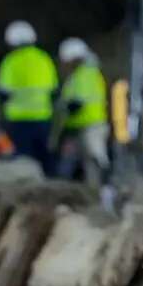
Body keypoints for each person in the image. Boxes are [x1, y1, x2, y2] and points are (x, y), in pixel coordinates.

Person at [0, 20, 59, 174]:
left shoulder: (11, 62)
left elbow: (3, 94)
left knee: (22, 163)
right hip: (43, 120)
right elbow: (54, 92)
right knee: (45, 161)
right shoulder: (44, 59)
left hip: (18, 122)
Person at [56, 38, 110, 186]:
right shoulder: (80, 75)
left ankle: (98, 195)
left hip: (91, 127)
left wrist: (63, 108)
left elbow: (77, 103)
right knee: (83, 166)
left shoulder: (86, 74)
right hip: (79, 127)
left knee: (94, 164)